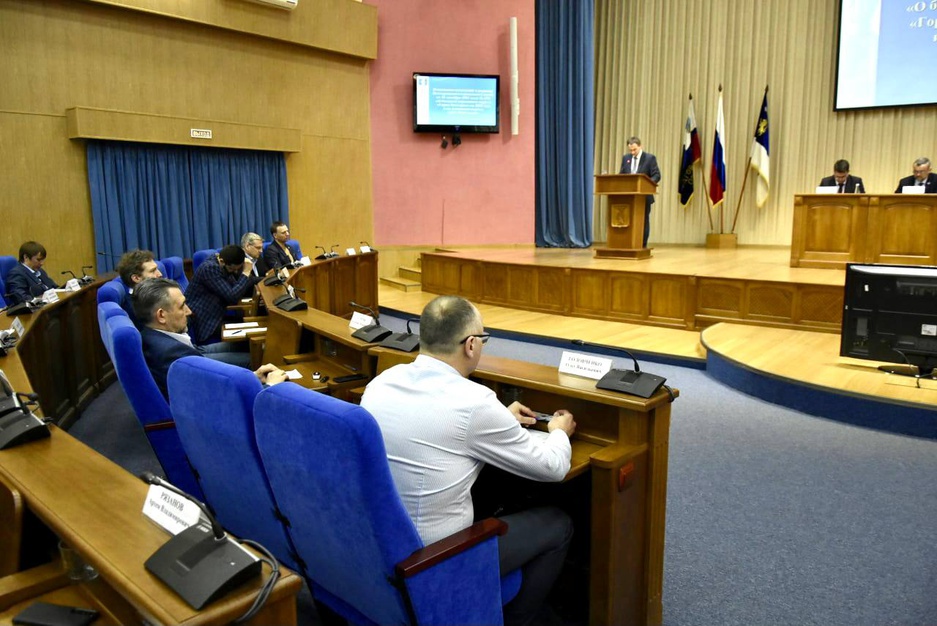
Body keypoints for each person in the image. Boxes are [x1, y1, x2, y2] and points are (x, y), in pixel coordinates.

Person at [360, 295, 576, 626]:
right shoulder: (474, 402)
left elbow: (437, 428)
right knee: (558, 524)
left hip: (376, 545)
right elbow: (553, 467)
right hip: (434, 558)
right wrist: (559, 431)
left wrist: (500, 419)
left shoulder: (381, 383)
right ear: (471, 345)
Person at [133, 278, 286, 399]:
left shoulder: (152, 337)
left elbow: (214, 385)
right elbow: (219, 400)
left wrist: (253, 378)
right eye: (182, 306)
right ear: (161, 315)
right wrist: (270, 387)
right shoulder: (173, 355)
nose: (189, 311)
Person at [184, 245, 259, 346]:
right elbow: (233, 296)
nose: (235, 272)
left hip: (217, 313)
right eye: (233, 270)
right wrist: (245, 272)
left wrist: (265, 280)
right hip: (206, 321)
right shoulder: (210, 268)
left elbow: (239, 285)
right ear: (222, 261)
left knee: (251, 325)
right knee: (248, 338)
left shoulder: (223, 264)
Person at [619, 136, 661, 247]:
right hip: (628, 196)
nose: (632, 152)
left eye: (634, 149)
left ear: (640, 146)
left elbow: (656, 175)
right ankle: (628, 244)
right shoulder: (625, 158)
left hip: (643, 196)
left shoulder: (649, 158)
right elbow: (622, 175)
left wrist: (646, 184)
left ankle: (642, 245)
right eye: (630, 150)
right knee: (627, 220)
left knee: (643, 221)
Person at [115, 249, 163, 319]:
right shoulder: (138, 308)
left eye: (157, 269)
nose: (160, 274)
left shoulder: (149, 296)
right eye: (153, 271)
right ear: (136, 278)